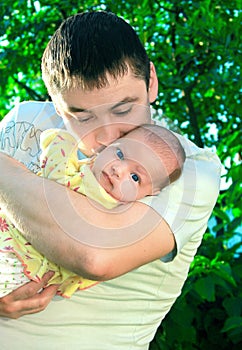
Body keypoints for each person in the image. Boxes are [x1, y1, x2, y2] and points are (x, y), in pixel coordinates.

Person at [0, 11, 221, 350]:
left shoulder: (185, 168)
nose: (106, 136)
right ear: (56, 105)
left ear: (151, 80)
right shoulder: (26, 120)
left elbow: (95, 253)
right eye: (83, 116)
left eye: (123, 110)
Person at [0, 124, 185, 298]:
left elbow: (56, 175)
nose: (118, 169)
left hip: (16, 256)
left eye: (135, 177)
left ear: (149, 194)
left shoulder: (95, 194)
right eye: (119, 154)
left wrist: (62, 139)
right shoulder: (117, 213)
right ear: (108, 146)